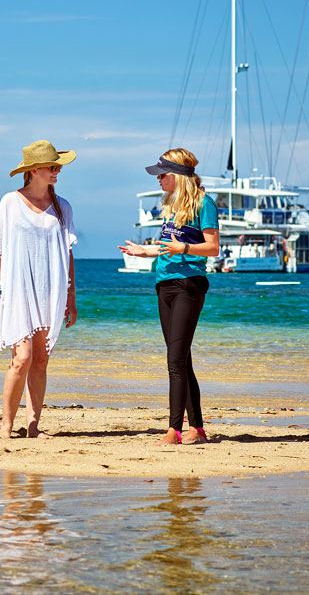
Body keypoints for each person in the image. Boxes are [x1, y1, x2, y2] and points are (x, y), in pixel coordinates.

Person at [118, 149, 220, 445]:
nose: (159, 179)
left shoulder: (204, 203)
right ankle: (197, 429)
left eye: (162, 174)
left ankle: (173, 430)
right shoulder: (172, 206)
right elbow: (168, 247)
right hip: (165, 286)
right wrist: (145, 251)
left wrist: (184, 250)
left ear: (177, 175)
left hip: (190, 284)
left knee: (174, 360)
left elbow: (212, 248)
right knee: (182, 359)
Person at [0, 140, 78, 439]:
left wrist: (71, 297)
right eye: (52, 166)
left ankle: (33, 426)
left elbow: (68, 253)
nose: (57, 170)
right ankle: (6, 425)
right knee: (21, 357)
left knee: (40, 359)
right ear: (34, 170)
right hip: (19, 290)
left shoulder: (63, 207)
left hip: (51, 291)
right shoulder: (10, 203)